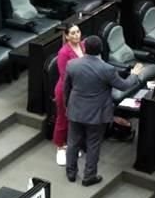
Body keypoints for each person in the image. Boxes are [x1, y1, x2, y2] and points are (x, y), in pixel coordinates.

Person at [64, 36, 144, 186]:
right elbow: (124, 85)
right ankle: (89, 177)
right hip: (96, 114)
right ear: (101, 49)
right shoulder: (107, 69)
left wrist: (68, 106)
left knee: (72, 142)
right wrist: (135, 74)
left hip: (75, 110)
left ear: (84, 48)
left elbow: (66, 88)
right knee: (93, 144)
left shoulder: (72, 64)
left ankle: (71, 173)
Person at [53, 25, 85, 166]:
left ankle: (71, 145)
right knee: (63, 118)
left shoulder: (83, 46)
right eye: (72, 33)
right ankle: (60, 146)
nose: (76, 35)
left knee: (75, 119)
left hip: (79, 89)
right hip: (66, 91)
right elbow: (64, 75)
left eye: (78, 32)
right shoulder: (63, 52)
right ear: (67, 36)